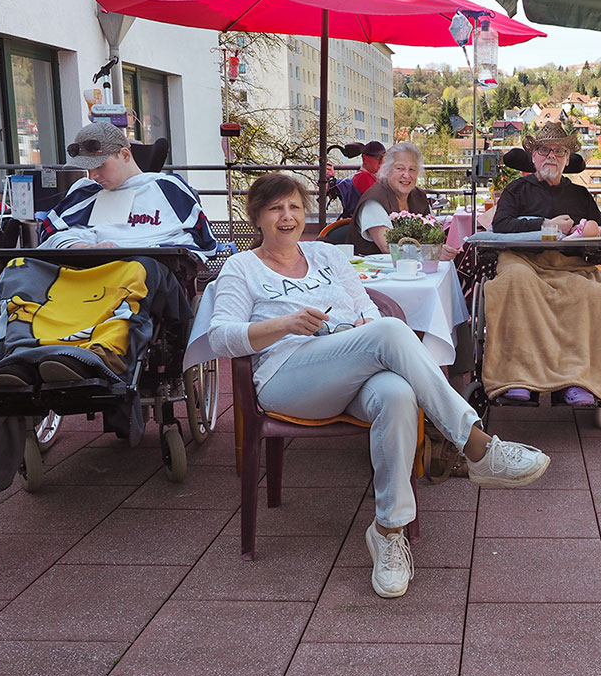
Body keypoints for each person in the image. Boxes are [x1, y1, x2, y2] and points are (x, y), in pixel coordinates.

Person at [208, 172, 550, 598]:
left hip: (348, 367)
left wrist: (364, 325)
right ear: (256, 216)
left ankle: (388, 532)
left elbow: (365, 305)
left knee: (397, 393)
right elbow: (220, 335)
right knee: (389, 332)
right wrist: (285, 324)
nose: (287, 216)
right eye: (276, 208)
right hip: (287, 377)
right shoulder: (242, 267)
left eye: (295, 206)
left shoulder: (327, 256)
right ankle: (476, 445)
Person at [485, 122, 601, 407]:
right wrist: (546, 224)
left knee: (596, 294)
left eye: (558, 151)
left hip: (568, 264)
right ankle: (518, 378)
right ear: (533, 155)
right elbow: (500, 225)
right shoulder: (517, 189)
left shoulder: (580, 195)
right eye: (544, 149)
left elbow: (599, 227)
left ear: (567, 159)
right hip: (522, 260)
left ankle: (577, 380)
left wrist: (592, 229)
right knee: (515, 282)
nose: (551, 156)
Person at [38, 122, 217, 260]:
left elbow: (202, 242)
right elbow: (50, 235)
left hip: (146, 274)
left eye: (100, 166)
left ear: (124, 154)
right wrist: (80, 246)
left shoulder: (168, 189)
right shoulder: (86, 193)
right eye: (88, 169)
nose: (93, 175)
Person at [348, 142, 456, 260]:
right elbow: (388, 247)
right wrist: (430, 252)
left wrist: (441, 249)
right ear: (387, 170)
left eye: (412, 169)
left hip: (414, 269)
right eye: (399, 168)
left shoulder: (418, 196)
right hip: (376, 274)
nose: (406, 175)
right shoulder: (373, 201)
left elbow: (433, 235)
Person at [331, 140, 385, 216]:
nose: (382, 161)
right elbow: (380, 203)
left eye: (384, 158)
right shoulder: (363, 177)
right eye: (378, 157)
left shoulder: (370, 176)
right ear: (364, 158)